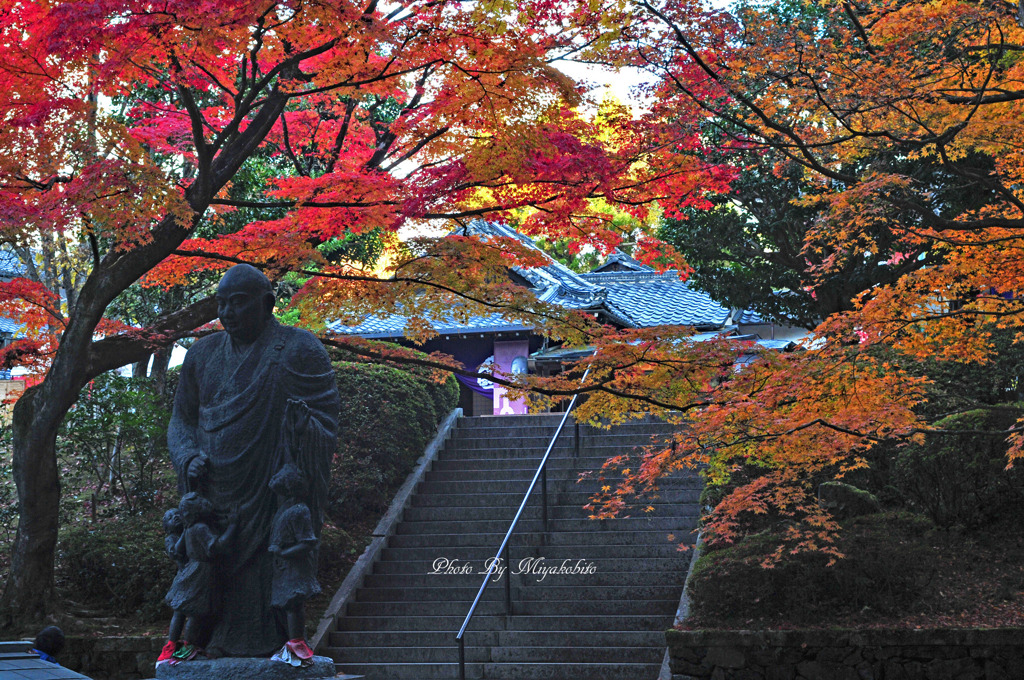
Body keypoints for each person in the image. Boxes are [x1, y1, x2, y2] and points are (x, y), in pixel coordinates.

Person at [167, 264, 339, 657]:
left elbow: (326, 420)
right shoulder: (202, 354)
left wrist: (301, 427)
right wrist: (188, 455)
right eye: (221, 304)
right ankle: (197, 643)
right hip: (213, 490)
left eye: (238, 303)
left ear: (267, 303)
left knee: (272, 572)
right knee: (212, 572)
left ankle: (285, 642)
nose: (227, 313)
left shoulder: (299, 348)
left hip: (269, 488)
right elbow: (182, 420)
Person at [267, 463, 320, 667]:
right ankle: (290, 644)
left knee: (293, 605)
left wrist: (283, 552)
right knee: (286, 605)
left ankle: (297, 646)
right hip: (283, 566)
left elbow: (308, 542)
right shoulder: (286, 507)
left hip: (294, 566)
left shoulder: (299, 510)